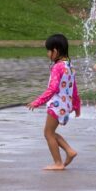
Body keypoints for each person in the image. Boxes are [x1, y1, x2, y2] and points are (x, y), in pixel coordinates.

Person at [27, 34, 81, 171]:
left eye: (48, 51)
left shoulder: (57, 67)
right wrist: (76, 106)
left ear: (55, 51)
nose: (47, 54)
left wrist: (37, 102)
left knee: (48, 133)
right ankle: (69, 151)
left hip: (57, 105)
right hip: (65, 105)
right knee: (51, 132)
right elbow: (74, 88)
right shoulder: (69, 65)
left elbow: (53, 88)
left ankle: (58, 163)